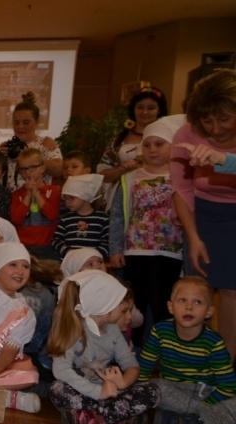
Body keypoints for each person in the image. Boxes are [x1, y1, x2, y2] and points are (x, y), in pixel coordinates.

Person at [171, 69, 236, 361]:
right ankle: (197, 361)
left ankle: (226, 364)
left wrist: (223, 159)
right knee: (199, 289)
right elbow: (181, 189)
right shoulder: (187, 133)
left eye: (224, 119)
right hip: (203, 214)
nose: (216, 128)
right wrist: (194, 237)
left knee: (233, 292)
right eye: (208, 120)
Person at [47, 270, 159, 424]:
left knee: (153, 391)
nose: (126, 313)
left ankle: (87, 419)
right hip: (83, 391)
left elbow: (131, 365)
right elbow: (60, 370)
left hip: (109, 392)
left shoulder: (113, 330)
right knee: (57, 389)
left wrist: (122, 383)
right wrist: (98, 392)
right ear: (105, 306)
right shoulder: (74, 328)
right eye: (121, 307)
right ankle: (119, 419)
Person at [112, 115, 185, 347]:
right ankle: (134, 350)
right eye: (147, 144)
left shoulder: (181, 178)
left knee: (163, 303)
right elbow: (117, 216)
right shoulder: (130, 179)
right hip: (136, 252)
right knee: (137, 304)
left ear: (173, 146)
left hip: (170, 252)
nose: (152, 149)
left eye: (159, 144)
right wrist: (115, 248)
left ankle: (165, 349)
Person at [138, 276, 236, 424]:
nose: (189, 307)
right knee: (155, 387)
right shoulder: (160, 331)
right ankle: (213, 423)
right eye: (182, 300)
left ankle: (188, 422)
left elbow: (228, 385)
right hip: (172, 390)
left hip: (205, 393)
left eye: (198, 302)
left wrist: (206, 404)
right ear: (171, 306)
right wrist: (141, 390)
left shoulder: (214, 341)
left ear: (209, 311)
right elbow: (144, 366)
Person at [0, 242, 40, 413]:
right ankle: (8, 399)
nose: (20, 271)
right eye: (13, 264)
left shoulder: (25, 313)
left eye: (25, 266)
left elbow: (8, 353)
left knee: (29, 375)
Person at [97, 86, 168, 185]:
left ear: (159, 110)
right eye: (140, 107)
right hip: (123, 191)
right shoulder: (119, 139)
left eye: (151, 108)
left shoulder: (168, 137)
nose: (145, 112)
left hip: (159, 190)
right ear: (133, 109)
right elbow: (102, 174)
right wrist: (122, 169)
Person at [0, 91, 62, 191]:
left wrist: (27, 159)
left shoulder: (45, 143)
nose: (20, 127)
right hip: (7, 198)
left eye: (26, 122)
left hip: (36, 198)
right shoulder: (7, 147)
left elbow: (58, 170)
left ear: (36, 122)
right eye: (16, 123)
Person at [10, 148, 61, 260]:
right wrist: (28, 196)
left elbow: (52, 215)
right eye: (23, 169)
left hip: (46, 247)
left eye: (32, 167)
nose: (27, 172)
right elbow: (16, 219)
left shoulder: (54, 191)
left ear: (42, 168)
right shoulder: (16, 194)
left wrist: (35, 194)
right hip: (23, 246)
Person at [52, 173, 108, 258]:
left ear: (85, 196)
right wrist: (68, 252)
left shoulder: (102, 219)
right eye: (65, 198)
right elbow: (56, 240)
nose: (67, 202)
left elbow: (107, 242)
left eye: (72, 198)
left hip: (93, 263)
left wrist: (93, 256)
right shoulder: (66, 219)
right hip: (70, 262)